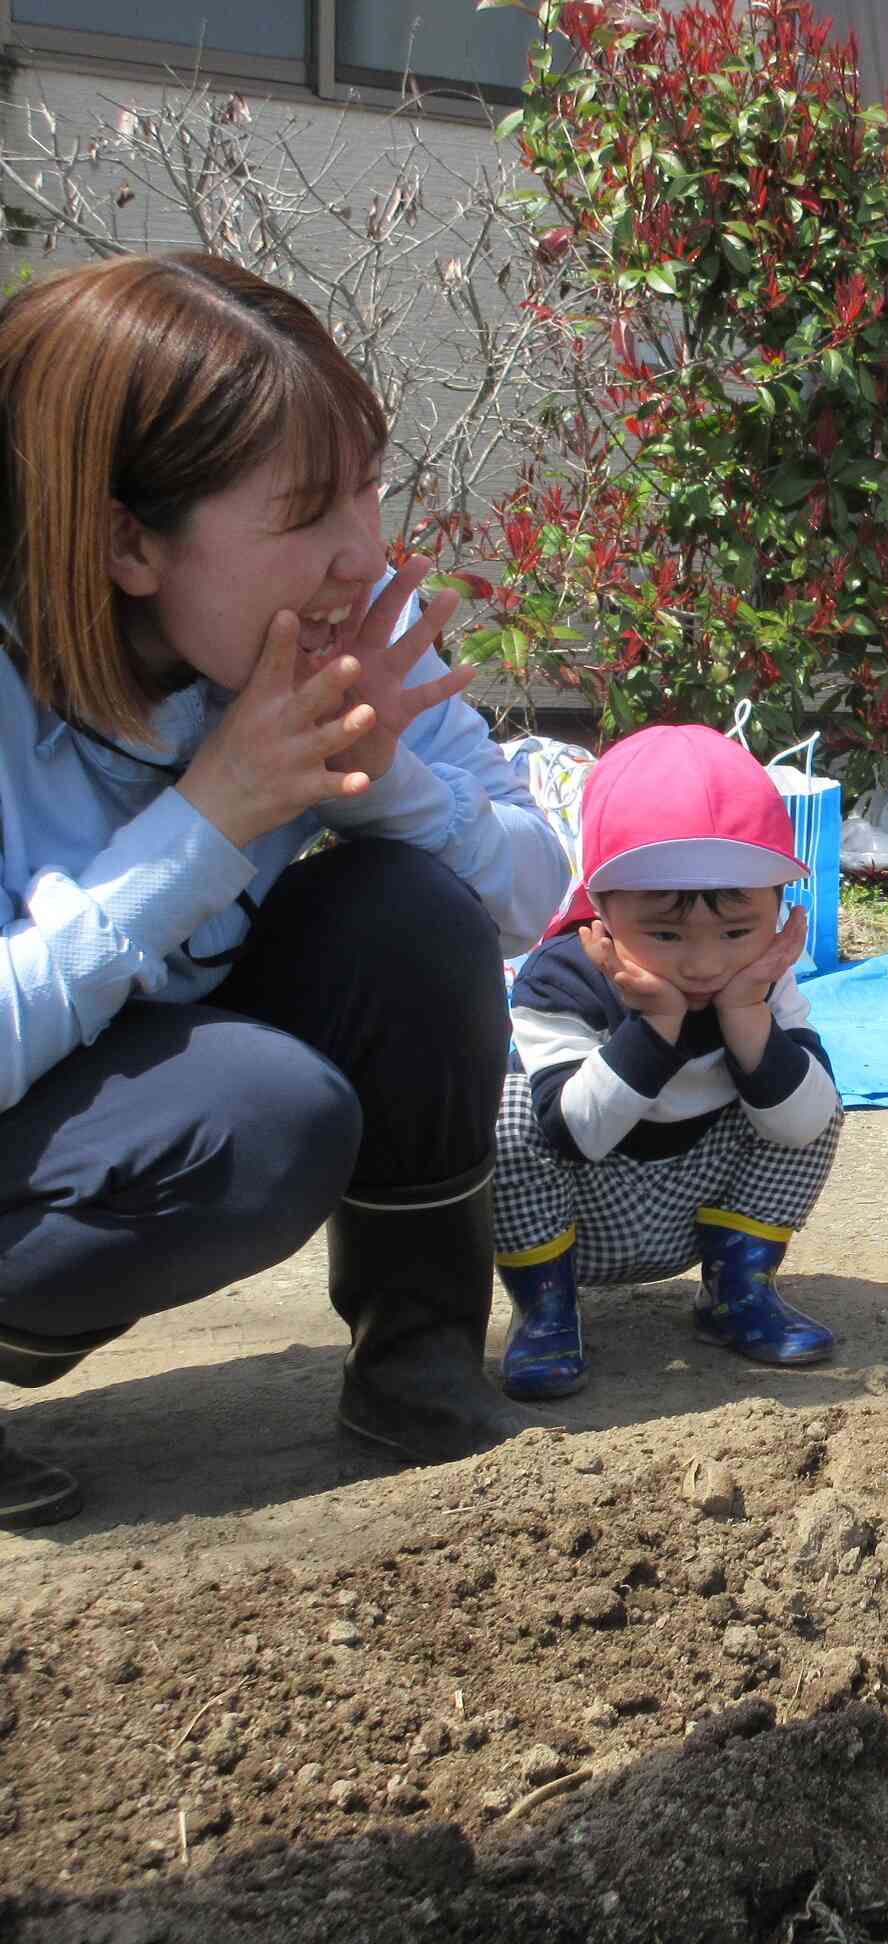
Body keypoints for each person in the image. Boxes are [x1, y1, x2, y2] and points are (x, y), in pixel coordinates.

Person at [0, 253, 569, 1527]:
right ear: (126, 542)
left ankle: (416, 1361)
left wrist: (387, 795)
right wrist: (213, 816)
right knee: (261, 1121)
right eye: (308, 511)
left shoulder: (344, 622)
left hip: (127, 1060)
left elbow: (535, 893)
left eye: (366, 487)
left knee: (410, 911)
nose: (362, 551)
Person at [489, 725, 843, 1398]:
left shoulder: (761, 981)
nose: (706, 963)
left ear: (778, 910)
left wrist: (746, 1015)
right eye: (665, 934)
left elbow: (801, 1128)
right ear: (602, 910)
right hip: (580, 1218)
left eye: (736, 931)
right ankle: (545, 1313)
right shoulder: (559, 981)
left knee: (813, 1092)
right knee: (504, 1115)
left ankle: (737, 1293)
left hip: (701, 1211)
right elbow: (575, 1135)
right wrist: (656, 1024)